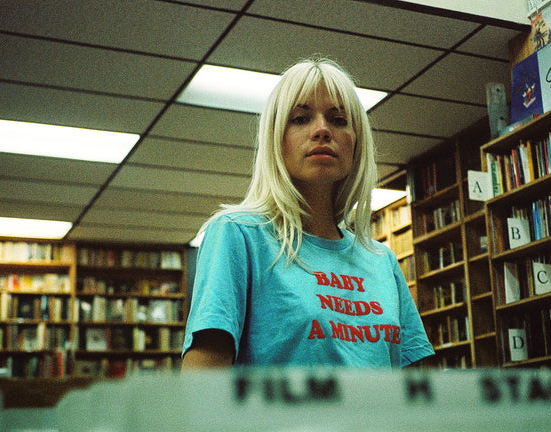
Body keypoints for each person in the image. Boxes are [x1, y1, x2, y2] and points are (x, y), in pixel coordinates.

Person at [181, 56, 433, 368]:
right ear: (277, 138)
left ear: (356, 143)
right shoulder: (238, 234)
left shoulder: (382, 261)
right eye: (301, 119)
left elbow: (415, 389)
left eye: (339, 120)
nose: (322, 130)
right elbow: (203, 388)